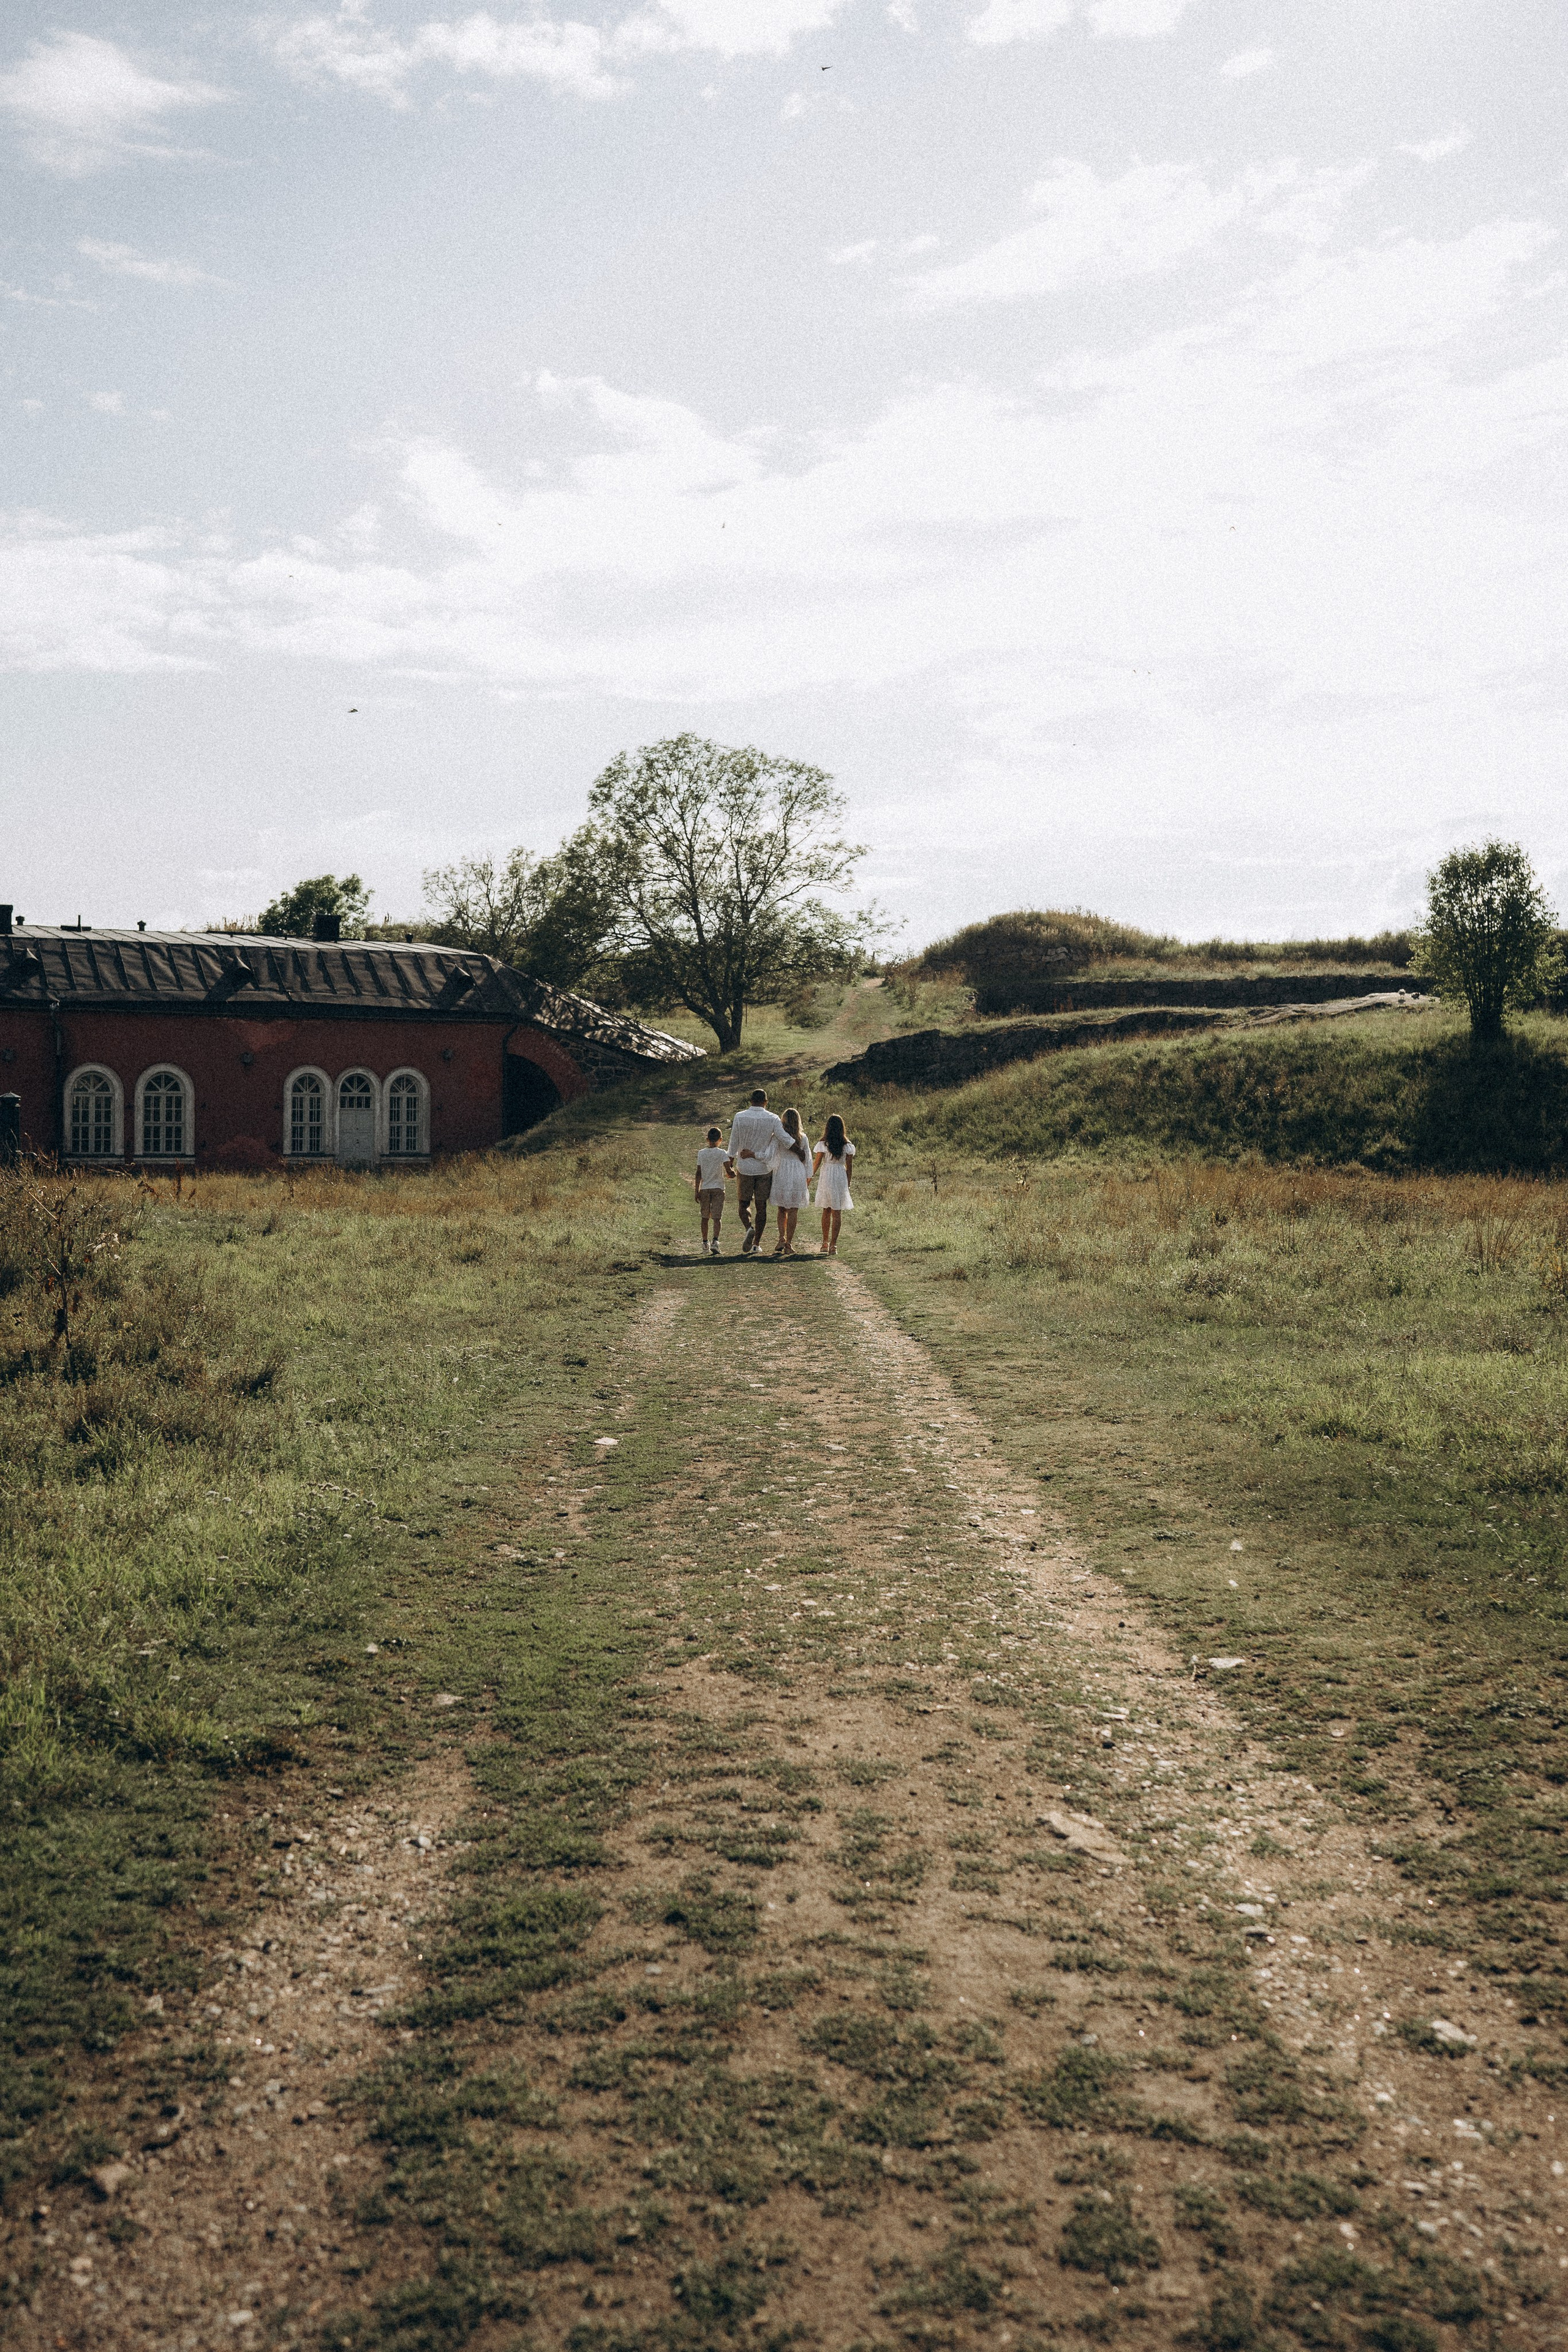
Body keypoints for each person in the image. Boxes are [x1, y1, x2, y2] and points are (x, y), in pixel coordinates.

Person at [727, 1088, 788, 1257]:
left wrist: (729, 1165)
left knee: (743, 1204)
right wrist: (798, 1149)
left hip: (745, 1168)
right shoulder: (773, 1118)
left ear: (751, 1100)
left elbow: (733, 1142)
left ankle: (749, 1228)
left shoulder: (740, 1116)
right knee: (761, 1206)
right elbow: (783, 1138)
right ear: (766, 1102)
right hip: (764, 1168)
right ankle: (756, 1244)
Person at [767, 1107, 811, 1256]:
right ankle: (789, 1243)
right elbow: (807, 1160)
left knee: (782, 1208)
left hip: (782, 1171)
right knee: (793, 1209)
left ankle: (781, 1238)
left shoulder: (778, 1136)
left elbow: (771, 1154)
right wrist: (807, 1178)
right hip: (797, 1172)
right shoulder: (803, 1138)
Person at [812, 1112, 855, 1256]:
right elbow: (849, 1168)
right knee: (837, 1212)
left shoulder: (824, 1144)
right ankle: (833, 1245)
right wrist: (847, 1185)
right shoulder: (847, 1145)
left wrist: (809, 1177)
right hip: (840, 1176)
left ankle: (825, 1242)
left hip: (827, 1176)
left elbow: (816, 1164)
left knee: (827, 1209)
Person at [693, 1126, 731, 1256]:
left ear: (707, 1139)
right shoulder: (722, 1153)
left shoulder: (701, 1153)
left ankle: (705, 1242)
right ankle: (715, 1241)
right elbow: (729, 1171)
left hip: (705, 1188)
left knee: (705, 1217)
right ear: (721, 1140)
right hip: (718, 1188)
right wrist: (733, 1174)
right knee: (717, 1216)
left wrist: (696, 1190)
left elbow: (699, 1173)